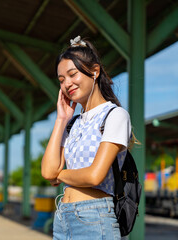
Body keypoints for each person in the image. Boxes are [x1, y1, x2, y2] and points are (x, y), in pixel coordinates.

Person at [41, 36, 136, 240]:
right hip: (63, 218)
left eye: (72, 74)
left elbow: (94, 176)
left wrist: (61, 175)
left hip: (95, 218)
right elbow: (48, 171)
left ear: (94, 71)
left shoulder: (115, 115)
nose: (67, 83)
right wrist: (61, 118)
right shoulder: (73, 123)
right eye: (61, 80)